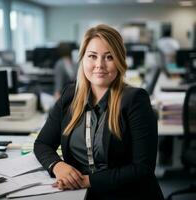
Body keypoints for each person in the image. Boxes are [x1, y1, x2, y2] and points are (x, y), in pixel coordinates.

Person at [34, 24, 164, 200]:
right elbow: (42, 143)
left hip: (126, 195)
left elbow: (142, 168)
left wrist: (88, 181)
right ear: (82, 59)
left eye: (109, 57)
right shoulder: (69, 96)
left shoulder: (135, 100)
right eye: (92, 56)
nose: (99, 65)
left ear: (120, 60)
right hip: (80, 194)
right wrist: (57, 166)